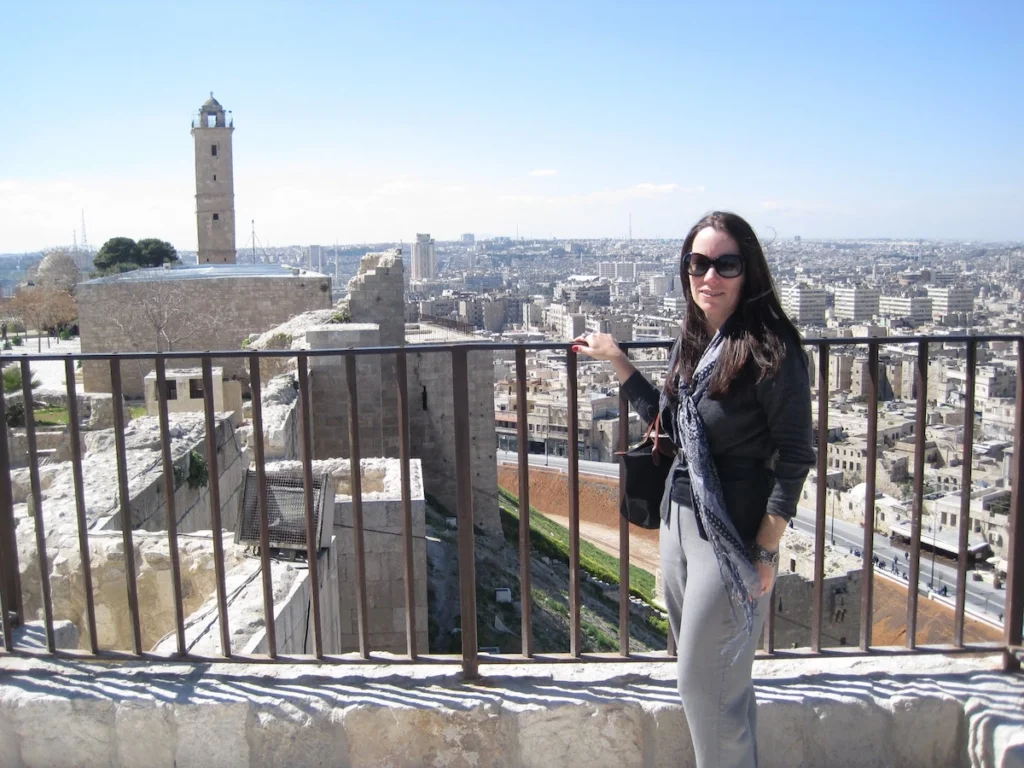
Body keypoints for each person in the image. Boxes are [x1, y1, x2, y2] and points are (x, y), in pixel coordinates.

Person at [573, 211, 814, 767]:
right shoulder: (700, 343)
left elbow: (797, 455)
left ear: (748, 270)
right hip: (681, 525)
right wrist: (618, 361)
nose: (710, 276)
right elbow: (673, 426)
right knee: (723, 686)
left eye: (725, 264)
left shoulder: (772, 350)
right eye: (698, 263)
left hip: (729, 537)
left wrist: (765, 549)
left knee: (704, 690)